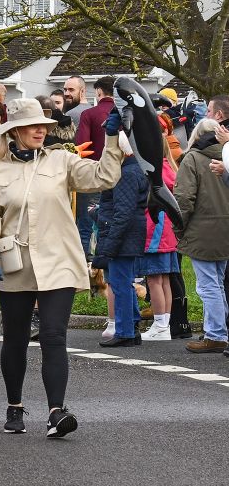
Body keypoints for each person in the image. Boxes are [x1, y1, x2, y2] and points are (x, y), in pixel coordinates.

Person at [0, 97, 124, 437]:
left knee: (54, 335)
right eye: (32, 126)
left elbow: (104, 176)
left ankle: (56, 411)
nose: (41, 130)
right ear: (15, 131)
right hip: (14, 266)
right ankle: (15, 405)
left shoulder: (62, 161)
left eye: (44, 125)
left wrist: (111, 140)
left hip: (58, 262)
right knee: (15, 338)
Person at [173, 117, 229, 354]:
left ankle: (216, 334)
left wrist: (179, 227)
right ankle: (218, 329)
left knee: (208, 285)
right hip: (225, 228)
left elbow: (184, 198)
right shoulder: (226, 159)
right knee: (220, 283)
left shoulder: (193, 158)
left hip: (201, 228)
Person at [92, 133, 149, 348]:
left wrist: (110, 245)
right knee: (124, 282)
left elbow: (122, 213)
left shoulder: (125, 173)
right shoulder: (135, 169)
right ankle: (131, 327)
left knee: (119, 284)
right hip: (130, 234)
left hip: (123, 235)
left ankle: (125, 331)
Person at [137, 140, 180, 341]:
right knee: (163, 280)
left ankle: (160, 324)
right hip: (167, 229)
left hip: (155, 228)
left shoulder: (154, 171)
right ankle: (164, 324)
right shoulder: (170, 166)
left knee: (154, 279)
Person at [74, 76, 117, 260]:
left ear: (99, 92)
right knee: (114, 221)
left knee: (86, 222)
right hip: (121, 175)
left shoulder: (89, 115)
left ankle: (85, 263)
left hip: (93, 174)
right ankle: (110, 257)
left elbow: (83, 146)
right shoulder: (127, 114)